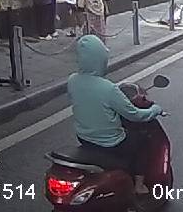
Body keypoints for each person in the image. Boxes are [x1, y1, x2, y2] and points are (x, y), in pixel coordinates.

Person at [67, 35, 162, 194]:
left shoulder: (72, 80)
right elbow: (135, 115)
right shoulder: (108, 88)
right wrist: (155, 110)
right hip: (111, 142)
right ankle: (139, 186)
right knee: (142, 142)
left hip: (84, 138)